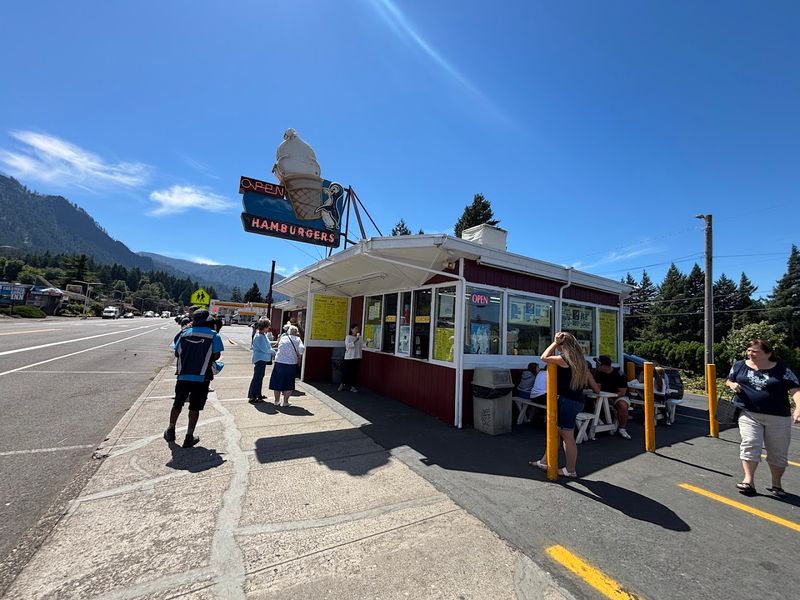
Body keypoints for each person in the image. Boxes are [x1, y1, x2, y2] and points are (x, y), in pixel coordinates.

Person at [725, 338, 800, 497]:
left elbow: (795, 390)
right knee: (750, 443)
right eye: (749, 351)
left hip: (778, 417)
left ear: (768, 353)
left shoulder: (782, 370)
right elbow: (729, 380)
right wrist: (732, 385)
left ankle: (776, 484)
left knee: (777, 452)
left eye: (755, 351)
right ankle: (748, 481)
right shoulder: (739, 365)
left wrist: (799, 408)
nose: (750, 354)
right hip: (749, 413)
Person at [530, 331, 600, 477]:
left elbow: (544, 357)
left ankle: (570, 470)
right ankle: (545, 460)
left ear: (563, 345)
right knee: (556, 433)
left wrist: (555, 342)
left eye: (559, 345)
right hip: (577, 399)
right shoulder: (580, 360)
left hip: (567, 401)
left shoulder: (564, 359)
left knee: (567, 437)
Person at [164, 310, 224, 448]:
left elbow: (176, 352)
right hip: (202, 377)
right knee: (195, 408)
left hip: (183, 375)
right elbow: (216, 356)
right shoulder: (213, 335)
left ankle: (171, 430)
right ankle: (189, 436)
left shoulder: (184, 333)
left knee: (177, 404)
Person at [593, 355, 632, 439]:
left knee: (622, 405)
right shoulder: (598, 373)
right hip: (604, 396)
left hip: (618, 396)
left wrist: (610, 397)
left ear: (604, 366)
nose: (596, 366)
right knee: (594, 401)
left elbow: (622, 392)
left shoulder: (619, 374)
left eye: (598, 364)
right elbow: (597, 387)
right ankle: (597, 425)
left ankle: (622, 428)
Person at [269, 324, 305, 406]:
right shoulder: (298, 339)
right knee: (288, 383)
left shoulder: (283, 337)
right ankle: (285, 402)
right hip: (291, 363)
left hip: (279, 362)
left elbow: (279, 347)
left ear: (288, 332)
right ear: (296, 332)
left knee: (277, 382)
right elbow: (302, 349)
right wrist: (298, 354)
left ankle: (276, 401)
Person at [248, 320, 275, 403]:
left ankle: (258, 394)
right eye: (268, 326)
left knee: (260, 377)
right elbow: (265, 349)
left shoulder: (262, 335)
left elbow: (267, 346)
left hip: (262, 359)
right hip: (260, 359)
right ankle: (253, 396)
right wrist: (274, 352)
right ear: (264, 327)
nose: (269, 328)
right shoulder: (259, 336)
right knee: (257, 378)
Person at [339, 324, 363, 392]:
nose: (356, 330)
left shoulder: (360, 338)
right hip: (349, 357)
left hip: (357, 356)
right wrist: (355, 340)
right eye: (355, 329)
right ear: (351, 329)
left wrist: (367, 342)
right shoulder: (348, 337)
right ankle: (342, 384)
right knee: (346, 372)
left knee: (354, 372)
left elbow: (362, 345)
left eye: (357, 329)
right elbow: (348, 345)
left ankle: (352, 387)